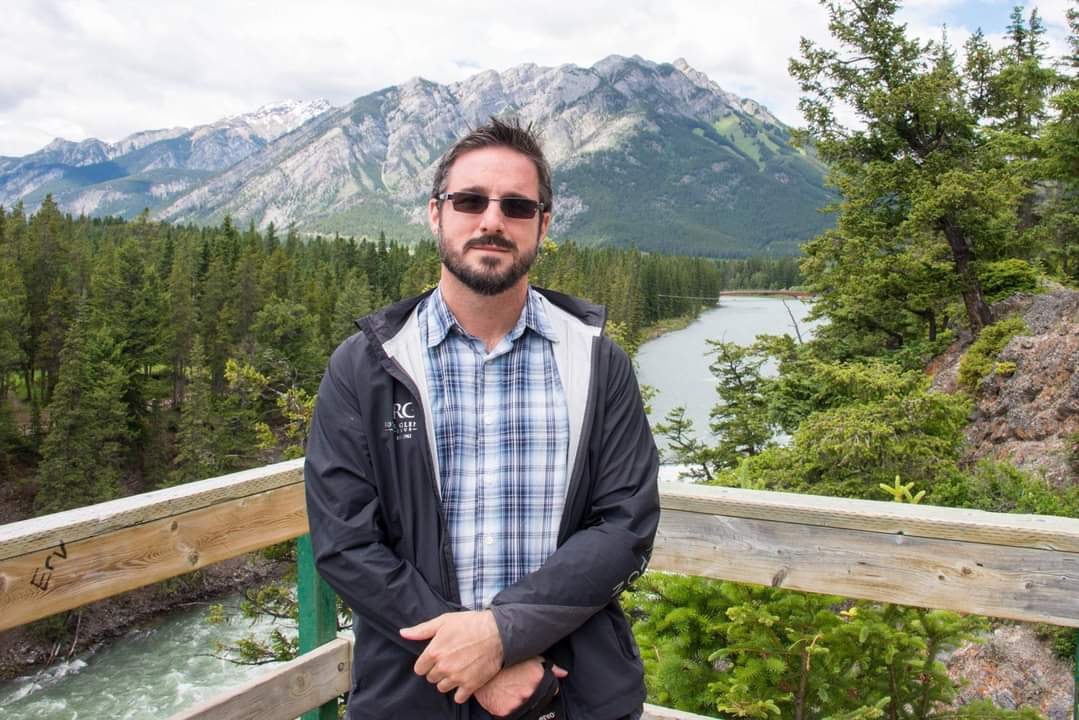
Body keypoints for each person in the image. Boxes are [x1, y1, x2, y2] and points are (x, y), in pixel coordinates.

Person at [304, 116, 660, 720]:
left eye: (517, 206)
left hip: (568, 691)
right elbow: (345, 542)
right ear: (436, 212)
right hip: (413, 695)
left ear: (543, 225)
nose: (492, 220)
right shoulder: (366, 366)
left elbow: (624, 525)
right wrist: (471, 661)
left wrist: (501, 635)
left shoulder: (598, 363)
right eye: (470, 200)